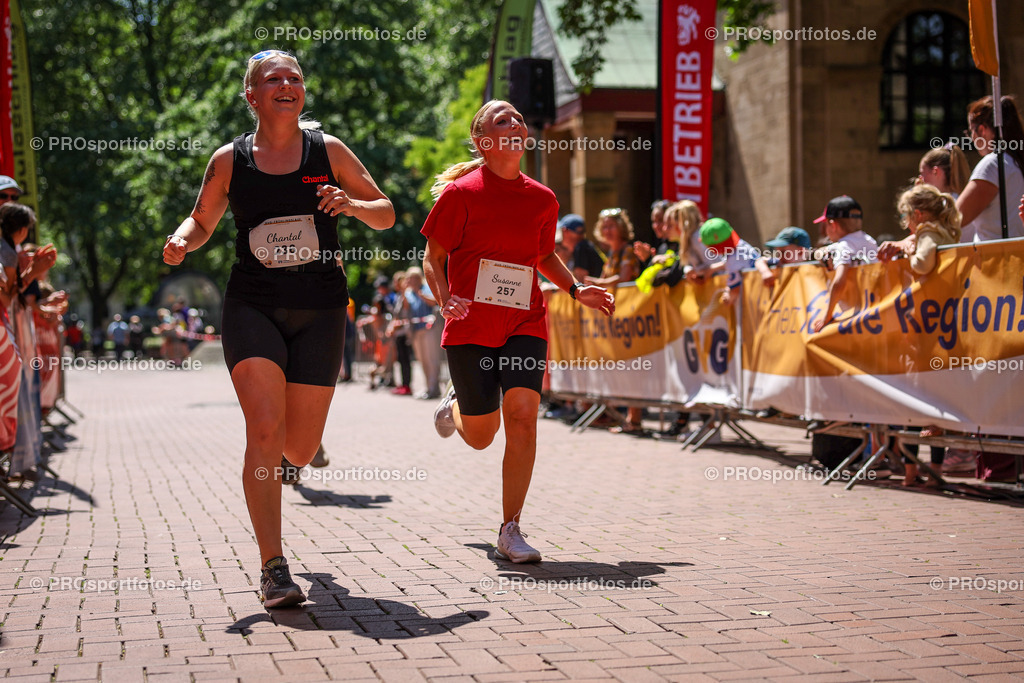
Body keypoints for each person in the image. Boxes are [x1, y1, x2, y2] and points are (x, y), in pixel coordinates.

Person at [162, 49, 394, 608]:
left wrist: (352, 204)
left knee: (300, 443)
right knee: (265, 431)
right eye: (273, 79)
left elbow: (384, 210)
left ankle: (293, 463)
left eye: (294, 77)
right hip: (254, 305)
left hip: (320, 307)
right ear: (252, 96)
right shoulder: (229, 159)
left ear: (303, 93)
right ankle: (273, 567)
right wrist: (180, 239)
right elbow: (202, 218)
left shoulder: (329, 149)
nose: (286, 84)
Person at [421, 100, 614, 563]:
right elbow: (433, 257)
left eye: (519, 119)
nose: (515, 123)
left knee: (524, 413)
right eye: (501, 119)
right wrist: (444, 296)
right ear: (485, 142)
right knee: (483, 435)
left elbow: (543, 255)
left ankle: (511, 528)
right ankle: (457, 408)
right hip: (470, 325)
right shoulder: (462, 194)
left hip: (525, 318)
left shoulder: (543, 199)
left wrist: (575, 288)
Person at [957, 95, 1024, 242]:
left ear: (982, 130)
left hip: (995, 258)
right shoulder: (1015, 161)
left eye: (970, 132)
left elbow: (955, 218)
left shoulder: (992, 165)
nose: (971, 138)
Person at [811, 196, 879, 331]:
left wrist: (827, 315)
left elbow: (839, 281)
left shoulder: (843, 247)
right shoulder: (871, 241)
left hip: (853, 317)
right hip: (875, 313)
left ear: (832, 225)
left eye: (825, 225)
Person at [879, 184, 961, 275]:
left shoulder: (928, 233)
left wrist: (911, 254)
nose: (906, 225)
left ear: (917, 215)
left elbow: (922, 265)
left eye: (905, 217)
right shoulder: (942, 230)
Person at [585, 208, 641, 288]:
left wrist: (599, 282)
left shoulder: (628, 250)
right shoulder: (611, 254)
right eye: (604, 227)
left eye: (611, 226)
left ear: (621, 227)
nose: (607, 231)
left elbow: (624, 278)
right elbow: (603, 279)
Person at [556, 214, 604, 282]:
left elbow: (580, 282)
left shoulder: (581, 248)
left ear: (565, 231)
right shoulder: (585, 246)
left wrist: (553, 289)